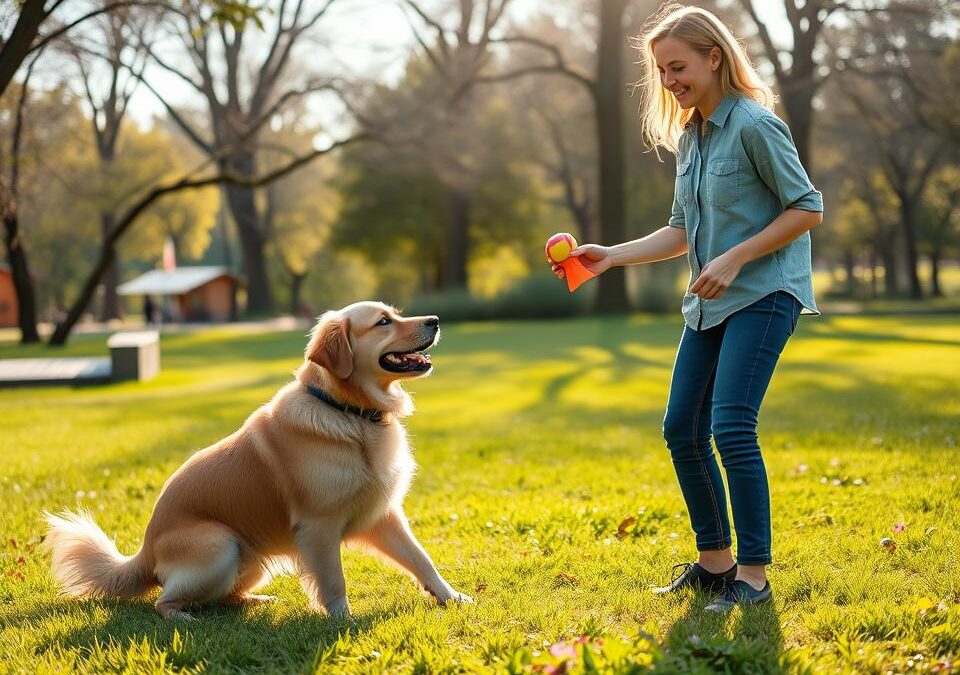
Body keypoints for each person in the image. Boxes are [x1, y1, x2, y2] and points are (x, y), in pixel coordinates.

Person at [550, 3, 823, 611]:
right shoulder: (692, 136)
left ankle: (752, 575)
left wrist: (733, 259)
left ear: (714, 57)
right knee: (680, 427)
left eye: (679, 68)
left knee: (730, 426)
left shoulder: (754, 124)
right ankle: (714, 564)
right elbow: (680, 231)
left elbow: (806, 208)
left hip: (763, 294)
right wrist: (608, 257)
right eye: (662, 73)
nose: (670, 82)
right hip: (708, 303)